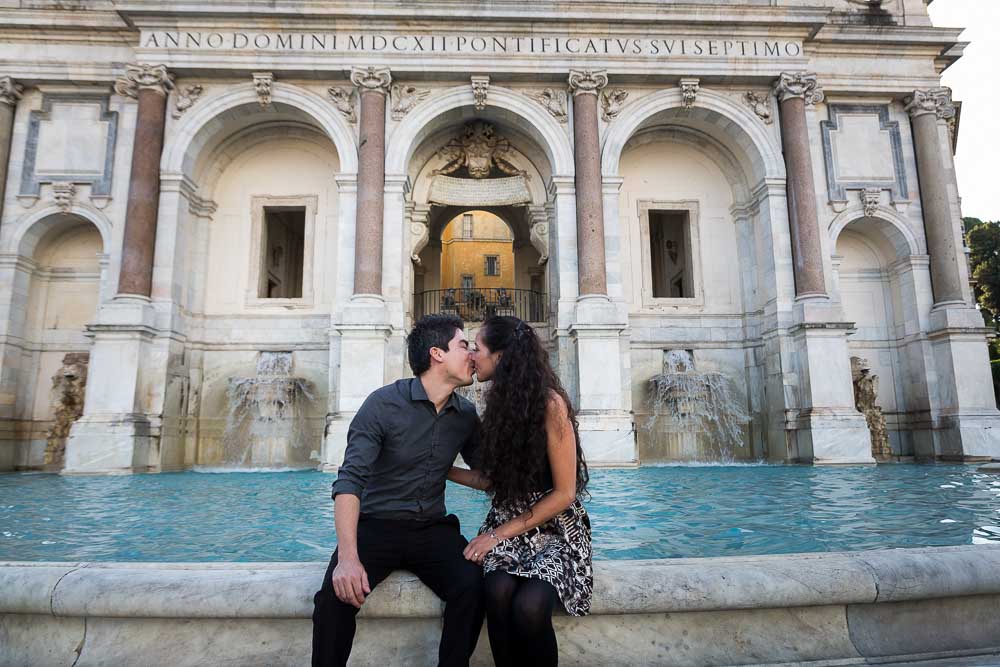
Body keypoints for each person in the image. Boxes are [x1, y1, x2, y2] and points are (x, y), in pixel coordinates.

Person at [312, 314, 486, 667]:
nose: (470, 354)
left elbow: (487, 478)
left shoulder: (466, 414)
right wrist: (347, 558)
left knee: (473, 586)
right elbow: (349, 481)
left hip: (432, 530)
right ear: (437, 354)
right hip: (376, 525)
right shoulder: (382, 404)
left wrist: (444, 469)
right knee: (334, 598)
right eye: (463, 345)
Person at [448, 316, 593, 667]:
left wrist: (496, 536)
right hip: (509, 524)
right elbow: (493, 482)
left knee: (530, 606)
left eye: (478, 348)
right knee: (496, 592)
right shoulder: (499, 405)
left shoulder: (551, 404)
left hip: (555, 528)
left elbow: (564, 494)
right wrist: (442, 471)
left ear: (501, 356)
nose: (471, 356)